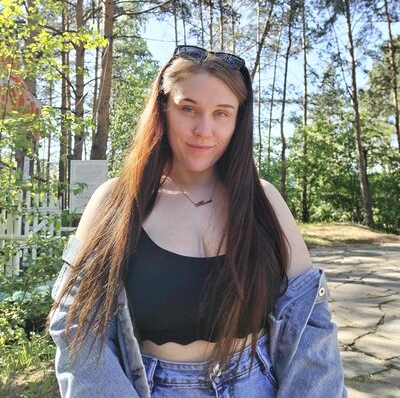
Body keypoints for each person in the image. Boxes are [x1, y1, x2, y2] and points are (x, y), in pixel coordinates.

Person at [47, 44, 347, 397]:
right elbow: (78, 326)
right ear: (163, 109)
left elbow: (310, 320)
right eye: (188, 109)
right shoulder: (117, 202)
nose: (204, 129)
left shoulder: (263, 200)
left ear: (238, 120)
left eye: (221, 113)